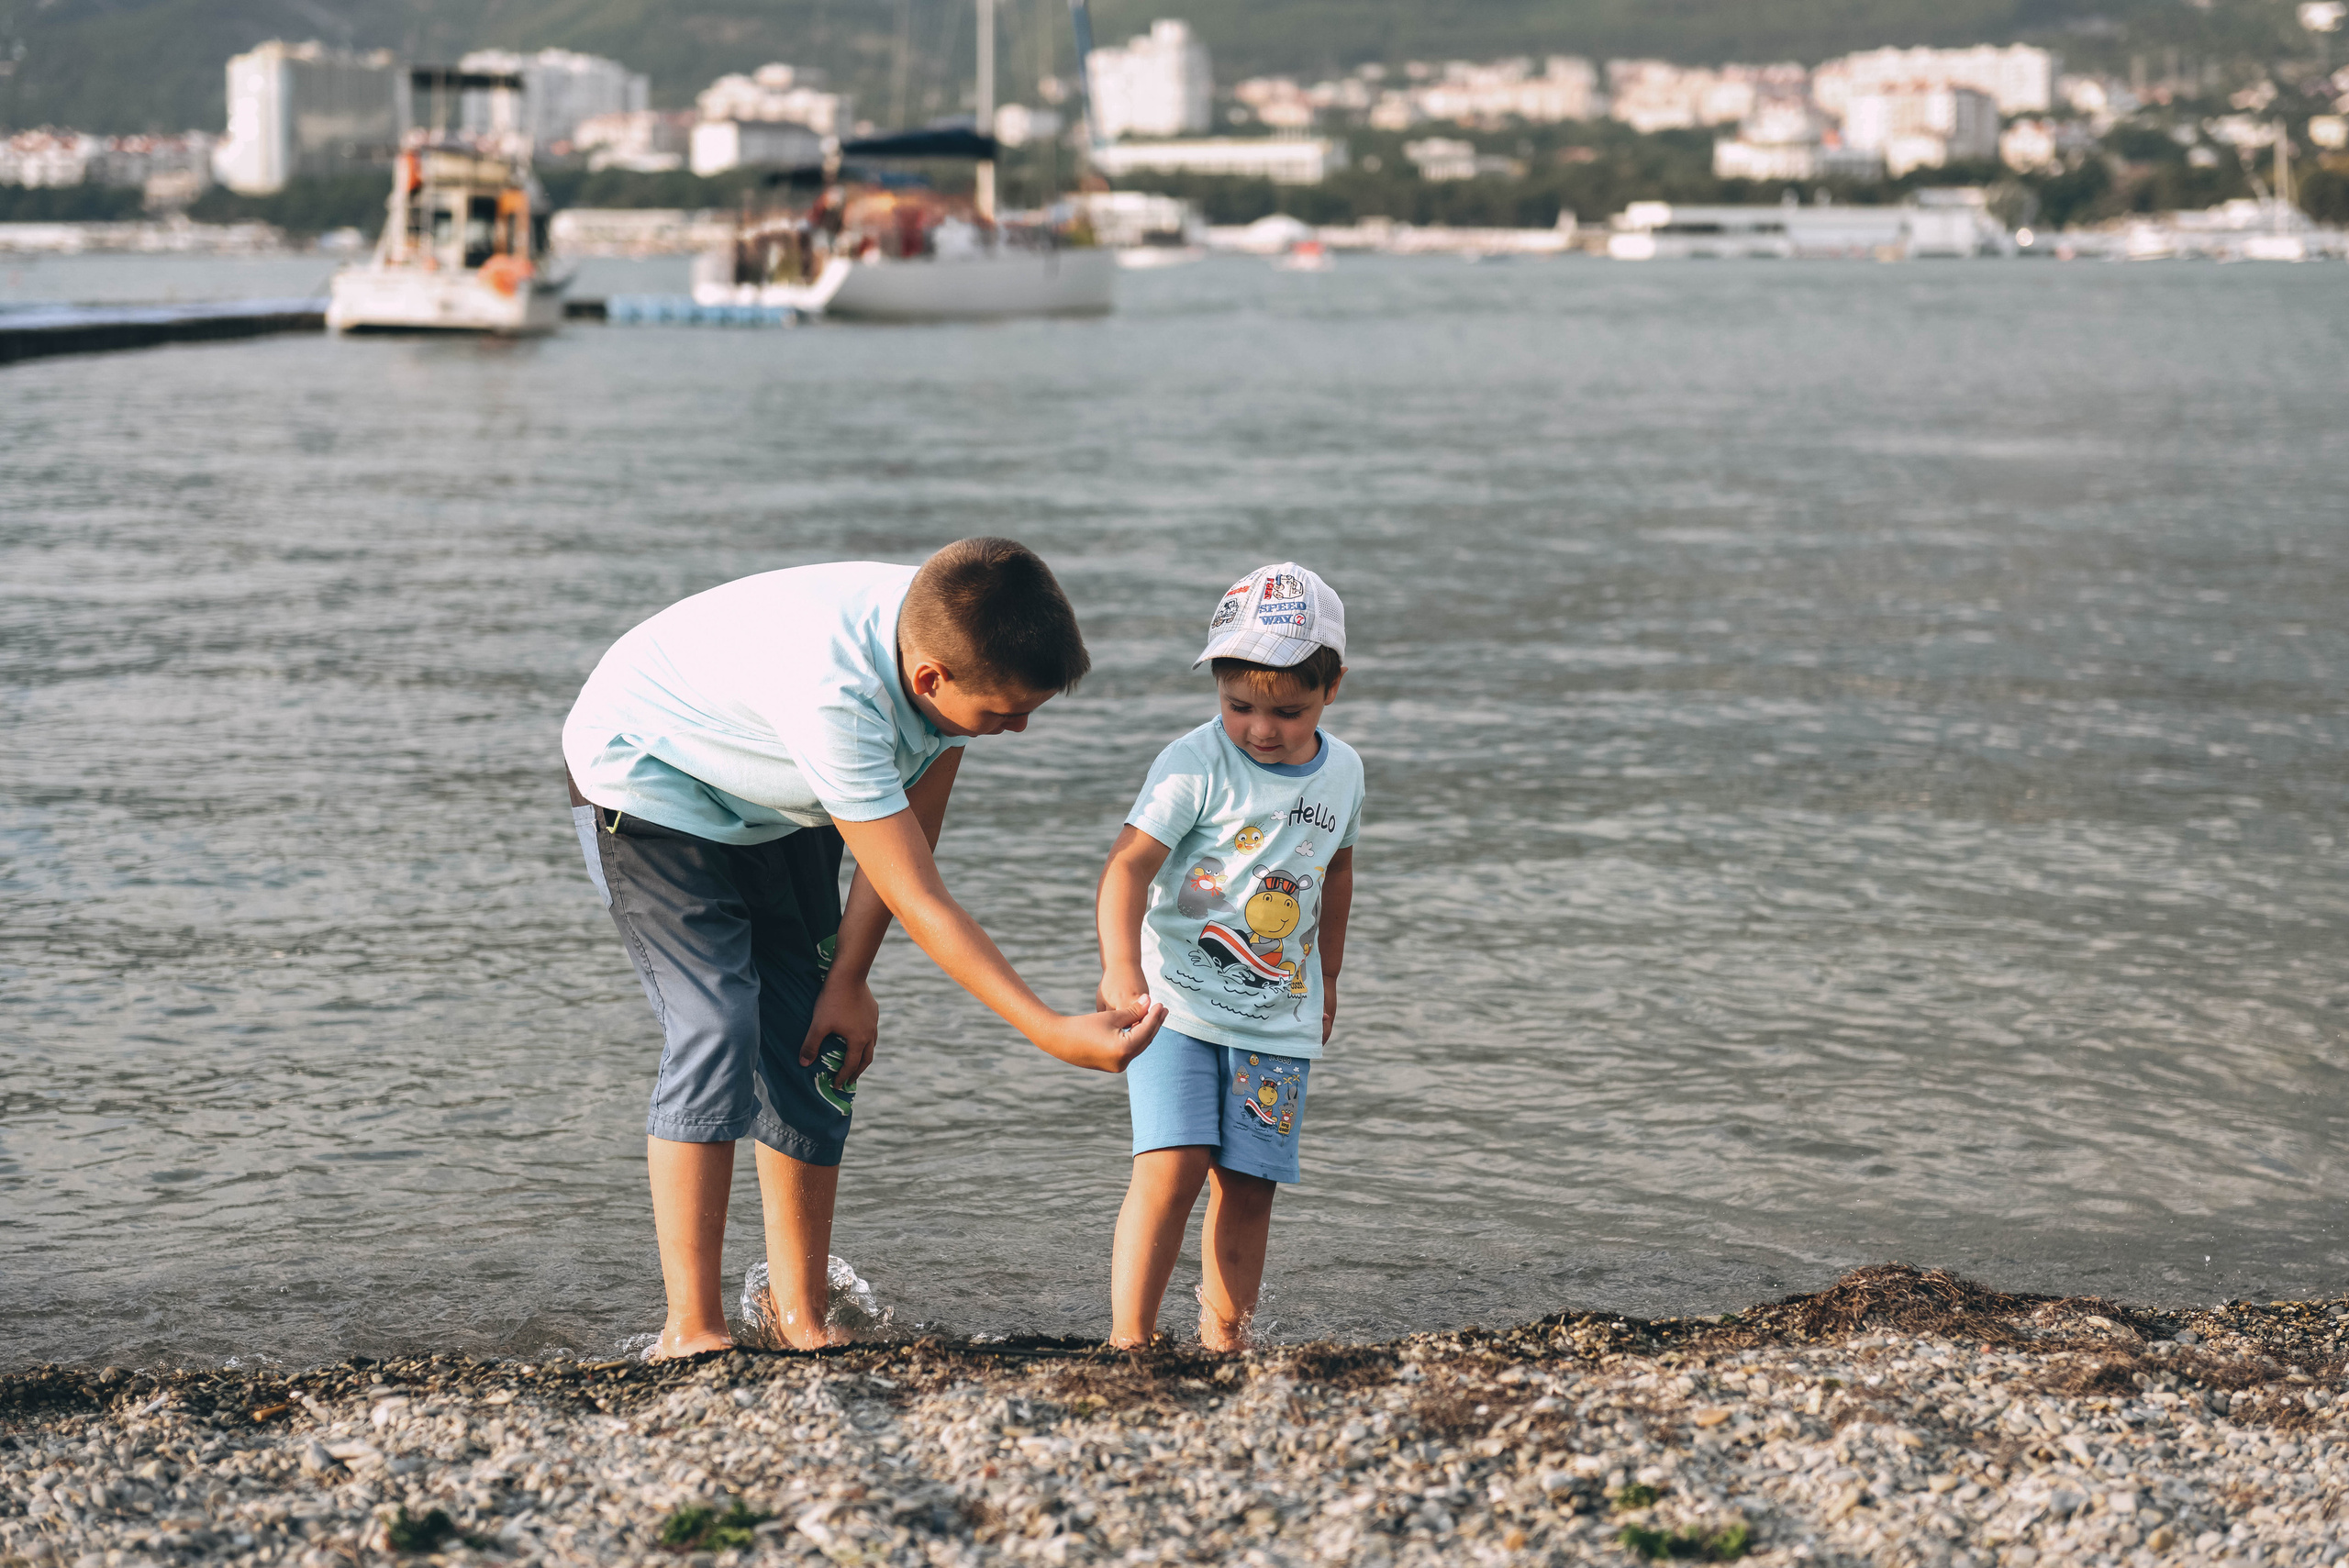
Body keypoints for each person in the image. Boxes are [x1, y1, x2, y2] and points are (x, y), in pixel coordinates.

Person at [563, 539, 1167, 1357]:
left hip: (774, 790)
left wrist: (848, 978)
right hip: (650, 785)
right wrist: (1048, 1029)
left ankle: (800, 1315)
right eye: (1002, 713)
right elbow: (922, 898)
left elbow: (912, 841)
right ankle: (692, 1327)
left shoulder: (949, 634)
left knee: (819, 1040)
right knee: (718, 1026)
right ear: (931, 680)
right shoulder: (840, 701)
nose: (1018, 728)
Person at [1093, 563, 1364, 1350]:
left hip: (1279, 1018)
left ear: (1332, 688)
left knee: (1249, 1185)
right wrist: (1120, 968)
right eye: (1239, 705)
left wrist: (1330, 976)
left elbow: (1338, 869)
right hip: (1171, 1003)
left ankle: (1225, 1344)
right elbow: (1127, 867)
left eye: (1288, 711)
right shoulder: (1193, 763)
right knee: (1172, 1164)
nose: (1261, 729)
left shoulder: (1345, 772)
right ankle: (1130, 1342)